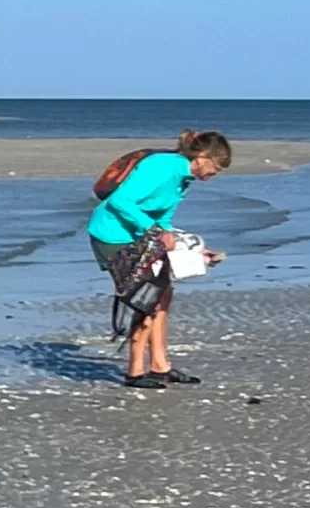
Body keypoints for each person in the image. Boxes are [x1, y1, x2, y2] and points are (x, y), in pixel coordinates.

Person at [88, 129, 231, 389]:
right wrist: (153, 231)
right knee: (146, 299)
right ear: (201, 157)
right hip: (112, 236)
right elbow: (121, 201)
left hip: (139, 235)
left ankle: (160, 366)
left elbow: (163, 219)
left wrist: (192, 250)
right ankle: (135, 371)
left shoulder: (184, 180)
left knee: (163, 294)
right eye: (216, 167)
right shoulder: (163, 167)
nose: (216, 173)